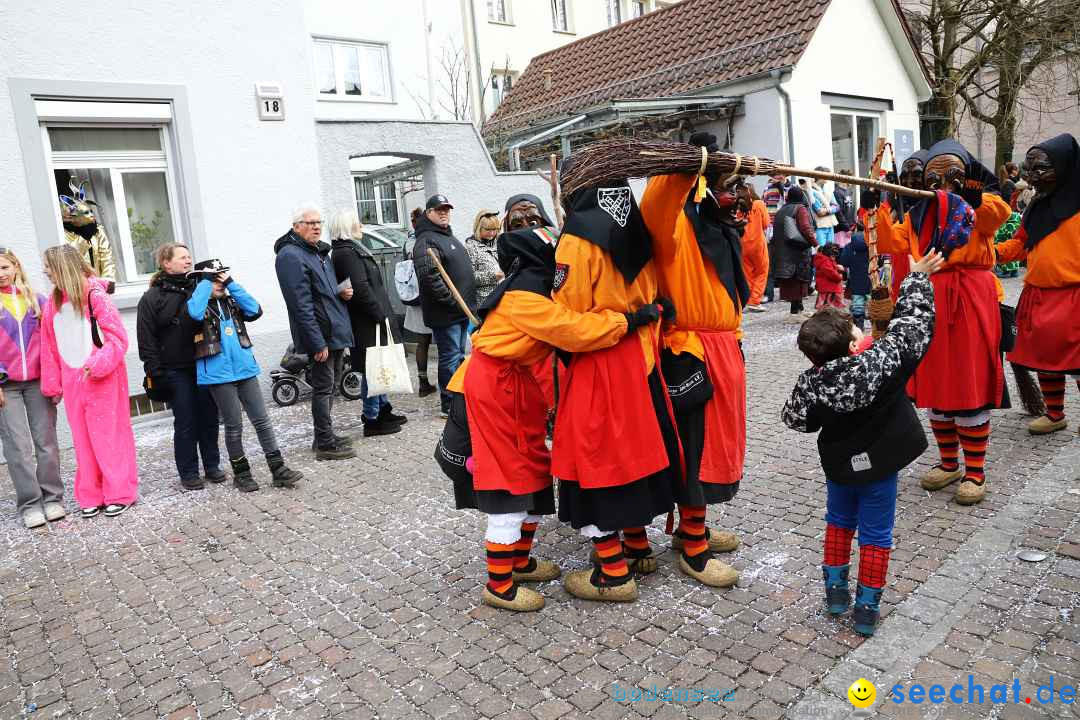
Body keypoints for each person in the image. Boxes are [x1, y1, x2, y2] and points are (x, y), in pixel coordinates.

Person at [436, 226, 654, 611]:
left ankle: (519, 562)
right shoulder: (524, 298)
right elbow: (573, 330)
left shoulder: (532, 290)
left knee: (534, 467)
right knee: (509, 478)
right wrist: (630, 321)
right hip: (495, 387)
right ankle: (499, 584)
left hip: (516, 382)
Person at [782, 250, 944, 636]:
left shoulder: (813, 380)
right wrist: (917, 278)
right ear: (855, 346)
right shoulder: (880, 361)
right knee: (876, 535)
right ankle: (867, 608)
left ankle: (836, 594)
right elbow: (913, 327)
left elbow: (795, 419)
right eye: (858, 331)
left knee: (838, 523)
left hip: (840, 467)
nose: (863, 332)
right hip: (881, 466)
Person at [550, 176, 678, 603]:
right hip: (641, 360)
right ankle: (639, 548)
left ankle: (612, 571)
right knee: (635, 455)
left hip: (601, 360)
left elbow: (567, 321)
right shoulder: (637, 229)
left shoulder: (577, 241)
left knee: (597, 461)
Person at [865, 140, 1012, 505]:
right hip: (930, 300)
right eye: (934, 177)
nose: (942, 183)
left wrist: (971, 195)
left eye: (953, 175)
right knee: (937, 383)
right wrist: (876, 204)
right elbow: (889, 240)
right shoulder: (917, 215)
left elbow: (998, 216)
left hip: (971, 300)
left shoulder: (976, 208)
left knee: (969, 382)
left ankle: (975, 472)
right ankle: (949, 464)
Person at [638, 131, 752, 589]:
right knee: (694, 448)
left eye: (735, 189)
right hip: (690, 353)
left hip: (724, 348)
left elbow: (742, 288)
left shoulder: (720, 232)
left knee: (719, 445)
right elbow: (658, 202)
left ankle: (694, 529)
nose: (733, 198)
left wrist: (737, 338)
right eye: (722, 187)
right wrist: (689, 163)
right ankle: (693, 548)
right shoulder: (675, 229)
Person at [186, 260, 303, 492]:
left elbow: (254, 309)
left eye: (221, 277)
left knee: (262, 420)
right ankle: (242, 474)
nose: (220, 282)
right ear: (202, 281)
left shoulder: (231, 301)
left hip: (245, 370)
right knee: (234, 425)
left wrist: (231, 283)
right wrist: (207, 282)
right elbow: (194, 313)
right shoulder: (196, 303)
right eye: (214, 278)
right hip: (219, 375)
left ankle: (278, 469)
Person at [39, 245, 137, 518]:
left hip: (101, 379)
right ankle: (91, 494)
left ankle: (119, 492)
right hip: (73, 382)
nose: (45, 271)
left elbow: (117, 339)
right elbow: (49, 344)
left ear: (62, 267)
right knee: (82, 439)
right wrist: (53, 382)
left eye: (49, 265)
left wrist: (95, 365)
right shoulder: (54, 302)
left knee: (108, 437)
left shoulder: (96, 296)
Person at [994, 133, 1080, 436]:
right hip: (1039, 295)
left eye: (1040, 168)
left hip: (1075, 296)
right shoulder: (1037, 207)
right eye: (1029, 169)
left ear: (1065, 166)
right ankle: (1055, 413)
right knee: (1044, 360)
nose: (1031, 177)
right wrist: (991, 252)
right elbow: (1020, 244)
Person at [137, 243, 224, 490]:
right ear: (166, 263)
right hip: (174, 369)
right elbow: (146, 338)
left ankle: (212, 466)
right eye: (182, 257)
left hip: (204, 363)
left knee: (209, 417)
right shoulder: (152, 297)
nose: (188, 261)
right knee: (185, 421)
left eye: (189, 257)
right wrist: (154, 370)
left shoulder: (200, 288)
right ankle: (188, 473)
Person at [274, 204, 357, 460]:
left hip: (334, 329)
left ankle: (325, 434)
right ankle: (324, 443)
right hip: (321, 334)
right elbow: (301, 304)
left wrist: (339, 291)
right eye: (310, 223)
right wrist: (316, 341)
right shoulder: (290, 255)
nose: (316, 227)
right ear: (296, 226)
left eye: (319, 222)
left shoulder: (318, 253)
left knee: (330, 387)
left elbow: (322, 292)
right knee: (322, 388)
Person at [329, 210, 407, 437]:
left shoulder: (351, 249)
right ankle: (371, 417)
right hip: (368, 321)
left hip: (371, 319)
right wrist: (379, 315)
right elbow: (361, 289)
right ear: (346, 226)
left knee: (380, 366)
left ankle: (383, 409)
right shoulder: (346, 253)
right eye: (356, 222)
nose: (361, 225)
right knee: (373, 370)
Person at [0, 249, 63, 528]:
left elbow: (51, 342)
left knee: (46, 443)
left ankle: (52, 499)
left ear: (15, 266)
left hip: (39, 382)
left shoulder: (36, 300)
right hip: (6, 386)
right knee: (18, 447)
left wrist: (55, 378)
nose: (0, 273)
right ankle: (29, 503)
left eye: (4, 267)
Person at [411, 194, 477, 418]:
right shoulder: (426, 240)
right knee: (450, 357)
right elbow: (430, 278)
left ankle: (459, 397)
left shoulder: (445, 235)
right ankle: (449, 403)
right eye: (439, 210)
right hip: (446, 313)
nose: (444, 213)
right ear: (429, 213)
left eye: (447, 210)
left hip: (459, 311)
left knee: (458, 356)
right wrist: (452, 301)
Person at [770, 187, 817, 322]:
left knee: (792, 282)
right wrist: (815, 243)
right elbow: (806, 229)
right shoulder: (800, 209)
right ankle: (795, 313)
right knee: (797, 281)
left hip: (783, 252)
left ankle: (799, 309)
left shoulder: (781, 210)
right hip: (797, 252)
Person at [404, 207, 436, 398]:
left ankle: (423, 381)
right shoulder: (425, 241)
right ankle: (441, 383)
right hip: (429, 296)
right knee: (442, 340)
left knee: (421, 341)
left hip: (415, 296)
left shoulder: (408, 242)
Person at [739, 183, 770, 313]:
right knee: (762, 271)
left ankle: (748, 299)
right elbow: (766, 223)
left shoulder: (738, 205)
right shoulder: (759, 204)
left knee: (748, 273)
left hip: (742, 243)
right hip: (758, 242)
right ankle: (755, 300)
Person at [465, 210, 504, 304]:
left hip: (504, 296)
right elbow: (469, 278)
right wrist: (493, 276)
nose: (492, 233)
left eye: (495, 229)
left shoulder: (499, 242)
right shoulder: (471, 247)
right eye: (488, 230)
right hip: (485, 302)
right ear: (479, 227)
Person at [839, 231, 871, 330]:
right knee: (873, 303)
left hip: (856, 280)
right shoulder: (871, 246)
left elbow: (844, 261)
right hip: (870, 281)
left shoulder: (849, 247)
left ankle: (859, 326)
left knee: (858, 304)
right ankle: (875, 325)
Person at [813, 243, 845, 310]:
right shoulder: (825, 261)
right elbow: (831, 273)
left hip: (827, 287)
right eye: (833, 255)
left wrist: (838, 268)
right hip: (828, 288)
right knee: (827, 307)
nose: (834, 258)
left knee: (827, 306)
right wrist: (839, 277)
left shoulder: (826, 260)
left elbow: (831, 268)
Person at [810, 172, 838, 247]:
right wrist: (831, 209)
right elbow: (819, 212)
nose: (828, 177)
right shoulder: (811, 189)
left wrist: (828, 210)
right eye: (826, 174)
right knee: (821, 251)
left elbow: (837, 207)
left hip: (830, 224)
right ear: (820, 175)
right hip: (819, 225)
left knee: (831, 250)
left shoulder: (828, 189)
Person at [832, 172, 857, 247]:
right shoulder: (837, 193)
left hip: (849, 228)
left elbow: (850, 210)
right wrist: (846, 228)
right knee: (841, 250)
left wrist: (853, 224)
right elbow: (839, 213)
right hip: (841, 229)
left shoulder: (848, 192)